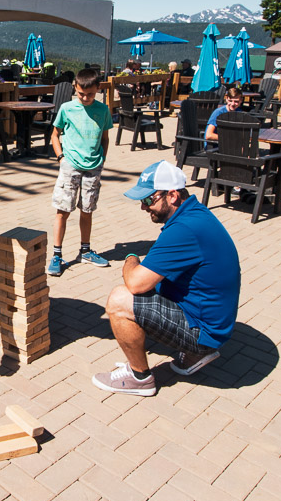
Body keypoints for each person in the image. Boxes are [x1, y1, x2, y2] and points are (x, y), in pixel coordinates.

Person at [92, 160, 240, 397]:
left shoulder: (184, 229)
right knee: (153, 283)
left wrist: (131, 257)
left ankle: (140, 378)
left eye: (149, 199)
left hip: (206, 330)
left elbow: (136, 283)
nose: (143, 207)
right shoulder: (195, 214)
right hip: (214, 323)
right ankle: (196, 353)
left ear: (172, 196)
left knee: (120, 300)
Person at [47, 68, 113, 276]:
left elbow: (105, 137)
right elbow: (54, 135)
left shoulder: (103, 110)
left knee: (87, 209)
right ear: (75, 88)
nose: (85, 98)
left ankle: (85, 250)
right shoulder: (67, 109)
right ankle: (57, 254)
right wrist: (61, 158)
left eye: (90, 94)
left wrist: (102, 159)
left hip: (93, 167)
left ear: (98, 90)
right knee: (63, 210)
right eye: (81, 94)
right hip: (70, 166)